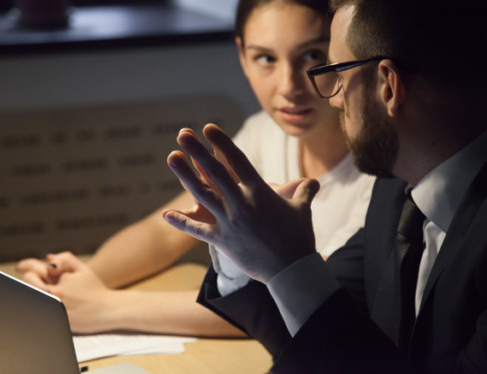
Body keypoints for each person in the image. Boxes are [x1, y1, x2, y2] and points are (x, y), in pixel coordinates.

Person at [162, 0, 487, 372]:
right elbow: (324, 331)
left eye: (337, 74)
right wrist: (245, 250)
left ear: (387, 86)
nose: (333, 99)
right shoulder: (397, 195)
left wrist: (287, 262)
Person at [16, 0, 374, 337]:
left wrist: (107, 307)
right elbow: (165, 231)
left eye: (312, 55)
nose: (289, 86)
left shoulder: (380, 169)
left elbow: (300, 300)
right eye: (266, 58)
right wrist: (71, 286)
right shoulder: (263, 132)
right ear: (242, 57)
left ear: (341, 54)